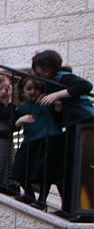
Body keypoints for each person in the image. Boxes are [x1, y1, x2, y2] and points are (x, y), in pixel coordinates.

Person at [31, 49, 94, 218]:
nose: (40, 72)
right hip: (74, 124)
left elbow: (86, 86)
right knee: (68, 167)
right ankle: (69, 208)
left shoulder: (62, 76)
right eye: (38, 68)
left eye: (44, 67)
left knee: (80, 167)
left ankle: (82, 210)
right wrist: (57, 104)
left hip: (86, 122)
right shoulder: (50, 81)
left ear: (52, 66)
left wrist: (58, 94)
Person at [13, 74, 64, 209]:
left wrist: (57, 105)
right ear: (22, 93)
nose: (33, 91)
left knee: (45, 171)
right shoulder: (21, 109)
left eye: (36, 88)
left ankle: (42, 200)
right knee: (19, 168)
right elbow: (13, 126)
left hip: (50, 138)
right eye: (29, 89)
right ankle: (29, 195)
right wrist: (20, 120)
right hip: (30, 140)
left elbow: (60, 116)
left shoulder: (47, 102)